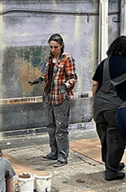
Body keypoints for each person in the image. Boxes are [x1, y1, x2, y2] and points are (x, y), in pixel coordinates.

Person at [92, 36, 126, 181]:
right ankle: (111, 171)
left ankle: (111, 164)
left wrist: (94, 101)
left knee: (105, 137)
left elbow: (95, 84)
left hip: (100, 107)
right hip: (116, 108)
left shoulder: (104, 63)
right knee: (116, 140)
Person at [28, 33, 77, 167]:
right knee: (50, 126)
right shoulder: (50, 59)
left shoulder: (67, 59)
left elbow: (73, 78)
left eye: (55, 47)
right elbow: (49, 76)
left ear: (61, 46)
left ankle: (62, 156)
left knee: (61, 128)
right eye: (51, 47)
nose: (53, 50)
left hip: (61, 97)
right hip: (49, 96)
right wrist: (40, 79)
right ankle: (54, 152)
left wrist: (65, 86)